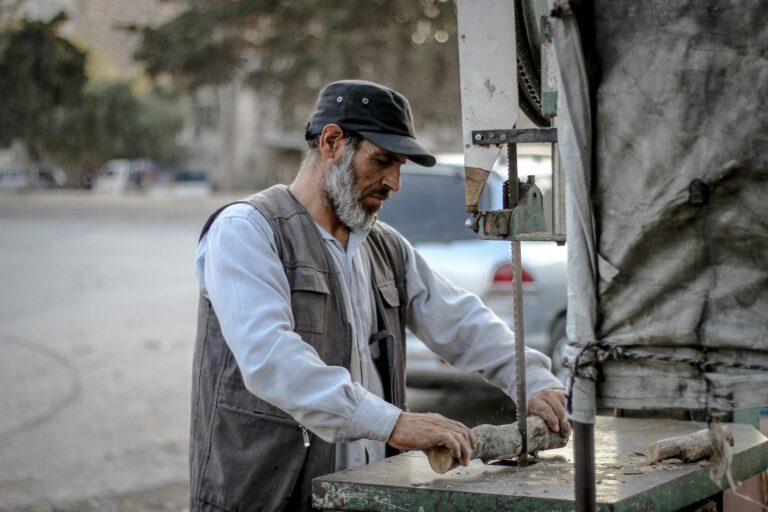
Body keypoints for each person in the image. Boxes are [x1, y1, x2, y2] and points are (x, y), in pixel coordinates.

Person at [190, 79, 570, 512]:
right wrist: (395, 423)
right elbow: (270, 358)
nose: (394, 182)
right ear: (332, 141)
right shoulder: (247, 231)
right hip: (264, 497)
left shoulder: (384, 246)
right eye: (383, 160)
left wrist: (532, 380)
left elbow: (461, 320)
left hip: (360, 495)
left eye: (400, 165)